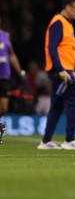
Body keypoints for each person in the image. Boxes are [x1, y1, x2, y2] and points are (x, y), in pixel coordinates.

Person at [37, 0, 75, 150]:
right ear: (68, 7)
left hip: (64, 70)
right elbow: (52, 48)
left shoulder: (66, 23)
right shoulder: (59, 22)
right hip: (62, 71)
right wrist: (61, 71)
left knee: (57, 106)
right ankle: (69, 140)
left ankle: (46, 141)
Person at [0, 15, 25, 144]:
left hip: (4, 75)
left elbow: (12, 55)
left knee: (4, 108)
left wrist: (20, 71)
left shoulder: (5, 35)